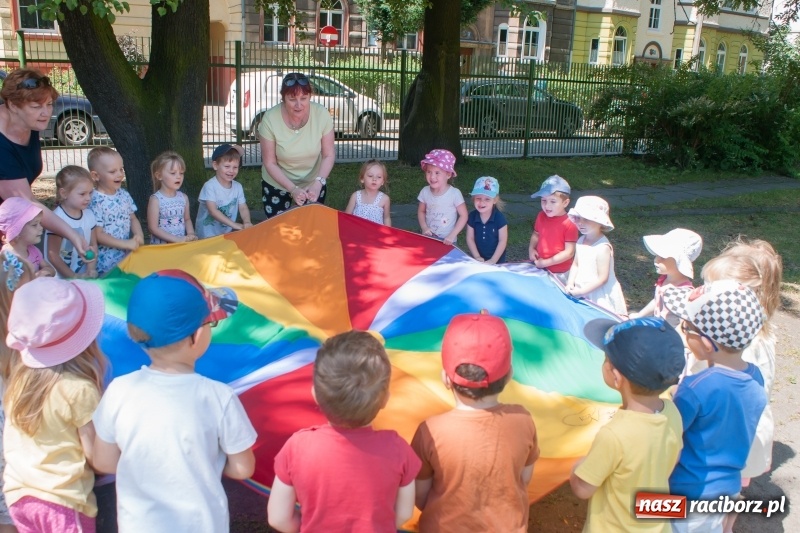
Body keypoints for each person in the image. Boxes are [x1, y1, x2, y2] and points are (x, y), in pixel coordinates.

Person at [92, 269, 257, 532]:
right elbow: (242, 468)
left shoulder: (119, 391)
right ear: (195, 337)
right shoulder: (219, 397)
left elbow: (103, 462)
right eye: (211, 324)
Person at [267, 331, 420, 533]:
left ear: (315, 394)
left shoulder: (298, 447)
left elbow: (278, 519)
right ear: (385, 399)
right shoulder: (398, 449)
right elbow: (404, 514)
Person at [411, 312, 539, 532]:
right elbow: (524, 479)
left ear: (446, 378)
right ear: (509, 374)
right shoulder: (523, 420)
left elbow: (420, 496)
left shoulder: (430, 431)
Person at [3, 277, 108, 532]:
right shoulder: (79, 390)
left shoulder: (17, 382)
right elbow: (97, 459)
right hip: (63, 502)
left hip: (20, 496)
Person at [663, 280, 767, 533]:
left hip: (687, 491)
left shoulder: (696, 387)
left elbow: (669, 435)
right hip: (727, 488)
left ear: (707, 344)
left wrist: (669, 403)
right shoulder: (756, 377)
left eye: (686, 327)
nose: (683, 332)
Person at [571, 317, 685, 532]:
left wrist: (577, 466)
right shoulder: (672, 412)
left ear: (615, 376)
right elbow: (673, 457)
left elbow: (583, 489)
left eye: (606, 358)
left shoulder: (614, 435)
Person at [700, 240, 782, 533]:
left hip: (734, 433)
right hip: (742, 429)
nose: (705, 293)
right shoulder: (749, 335)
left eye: (712, 288)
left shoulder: (747, 347)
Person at [0, 68, 88, 257]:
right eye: (36, 106)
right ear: (12, 105)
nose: (46, 112)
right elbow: (26, 203)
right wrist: (72, 233)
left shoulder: (27, 122)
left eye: (49, 104)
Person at [258, 73, 335, 219]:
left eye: (304, 98)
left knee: (310, 226)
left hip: (313, 183)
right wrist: (292, 189)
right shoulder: (270, 118)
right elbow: (269, 162)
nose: (299, 105)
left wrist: (319, 183)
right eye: (292, 99)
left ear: (310, 96)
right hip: (277, 183)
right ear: (283, 98)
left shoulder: (322, 114)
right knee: (279, 228)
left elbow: (328, 155)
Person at [565, 196, 627, 316]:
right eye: (578, 218)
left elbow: (602, 279)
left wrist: (582, 292)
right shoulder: (581, 240)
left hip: (598, 293)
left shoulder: (602, 247)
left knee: (600, 318)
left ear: (600, 221)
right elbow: (576, 264)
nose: (580, 223)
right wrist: (570, 283)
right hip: (580, 288)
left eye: (586, 219)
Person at [88, 147, 144, 275]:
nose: (119, 174)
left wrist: (139, 235)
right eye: (112, 171)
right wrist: (125, 244)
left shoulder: (124, 195)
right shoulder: (95, 201)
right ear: (95, 176)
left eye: (121, 169)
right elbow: (98, 234)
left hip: (126, 256)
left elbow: (133, 218)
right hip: (105, 262)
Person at [629, 228, 702, 326]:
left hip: (671, 332)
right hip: (658, 328)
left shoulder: (683, 292)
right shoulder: (665, 279)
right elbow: (657, 300)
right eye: (657, 255)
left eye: (663, 257)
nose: (656, 260)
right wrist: (640, 315)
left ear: (679, 262)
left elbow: (684, 320)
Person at [45, 166, 100, 278]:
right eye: (82, 194)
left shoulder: (89, 215)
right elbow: (53, 255)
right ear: (64, 193)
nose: (88, 198)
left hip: (81, 274)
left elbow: (93, 245)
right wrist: (73, 277)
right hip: (59, 280)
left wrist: (91, 269)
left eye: (90, 193)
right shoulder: (56, 218)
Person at [528, 175, 579, 282]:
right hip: (541, 267)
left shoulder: (570, 223)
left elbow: (569, 252)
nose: (547, 206)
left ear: (565, 203)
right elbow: (536, 234)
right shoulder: (541, 216)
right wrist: (531, 249)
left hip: (560, 272)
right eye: (543, 200)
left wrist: (545, 263)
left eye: (553, 201)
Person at [195, 144, 252, 239]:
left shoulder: (238, 187)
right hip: (206, 235)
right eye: (227, 166)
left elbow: (242, 207)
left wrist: (247, 222)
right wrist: (234, 225)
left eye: (235, 167)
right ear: (215, 165)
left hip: (225, 234)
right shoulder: (210, 186)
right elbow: (213, 211)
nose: (231, 170)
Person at [416, 149, 468, 245]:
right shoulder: (425, 191)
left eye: (437, 173)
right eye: (429, 172)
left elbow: (464, 215)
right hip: (428, 237)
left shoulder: (454, 194)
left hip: (448, 241)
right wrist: (424, 227)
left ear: (448, 174)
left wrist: (452, 235)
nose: (432, 176)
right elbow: (421, 211)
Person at [147, 151, 197, 244]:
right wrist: (175, 239)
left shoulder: (184, 198)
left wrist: (191, 234)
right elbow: (153, 228)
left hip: (179, 246)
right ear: (159, 176)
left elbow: (187, 219)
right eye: (173, 173)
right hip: (162, 248)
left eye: (181, 173)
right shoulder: (155, 200)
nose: (178, 177)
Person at [0, 196, 55, 277]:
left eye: (40, 223)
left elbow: (50, 269)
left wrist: (45, 272)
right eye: (34, 225)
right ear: (17, 233)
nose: (41, 228)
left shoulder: (33, 250)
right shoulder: (6, 259)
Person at [465, 176, 508, 264]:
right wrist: (477, 256)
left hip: (497, 261)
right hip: (478, 260)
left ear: (495, 200)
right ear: (473, 198)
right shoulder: (472, 216)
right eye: (478, 198)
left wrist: (493, 260)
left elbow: (502, 241)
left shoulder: (499, 218)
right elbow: (470, 238)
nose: (482, 202)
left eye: (487, 199)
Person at [345, 159, 391, 226]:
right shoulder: (356, 196)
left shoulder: (384, 199)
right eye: (370, 176)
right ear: (362, 179)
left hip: (375, 232)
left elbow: (386, 218)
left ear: (383, 181)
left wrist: (388, 231)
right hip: (356, 230)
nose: (374, 179)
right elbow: (346, 216)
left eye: (379, 177)